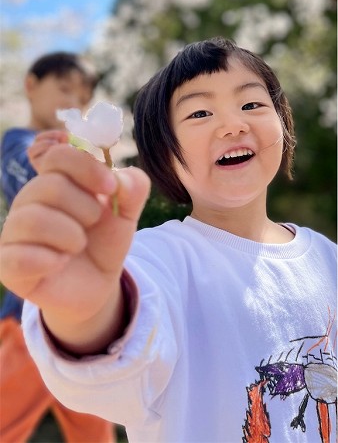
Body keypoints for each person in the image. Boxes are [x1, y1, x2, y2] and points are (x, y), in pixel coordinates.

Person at [0, 37, 336, 443]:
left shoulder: (327, 257)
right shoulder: (158, 258)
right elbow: (121, 355)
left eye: (251, 104)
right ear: (164, 154)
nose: (233, 124)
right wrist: (85, 313)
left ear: (282, 121)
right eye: (199, 112)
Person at [0, 51, 117, 443]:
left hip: (85, 323)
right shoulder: (19, 143)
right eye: (63, 88)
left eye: (82, 97)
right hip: (29, 317)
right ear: (31, 86)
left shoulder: (85, 154)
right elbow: (28, 174)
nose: (73, 102)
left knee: (94, 430)